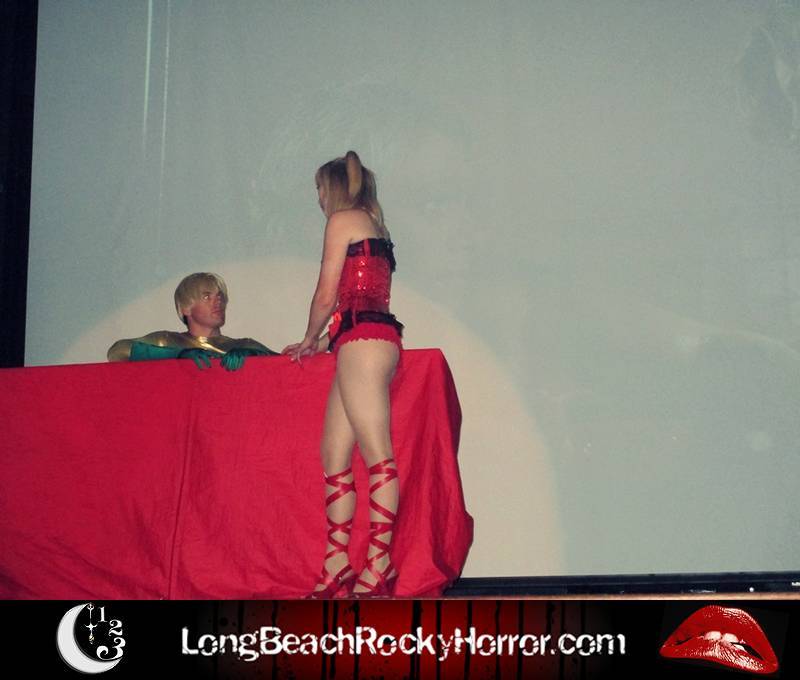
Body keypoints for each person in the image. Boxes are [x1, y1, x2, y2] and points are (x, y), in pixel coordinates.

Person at [283, 151, 404, 598]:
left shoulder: (343, 220)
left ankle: (379, 564)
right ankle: (337, 564)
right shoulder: (371, 223)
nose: (318, 197)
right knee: (333, 455)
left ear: (332, 187)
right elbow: (354, 295)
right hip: (360, 341)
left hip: (363, 343)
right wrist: (321, 340)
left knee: (378, 456)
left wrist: (308, 337)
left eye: (319, 188)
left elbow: (326, 293)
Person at [107, 272, 276, 369]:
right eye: (206, 297)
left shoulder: (244, 345)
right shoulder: (167, 340)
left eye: (220, 296)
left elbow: (284, 365)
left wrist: (255, 356)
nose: (217, 301)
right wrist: (176, 355)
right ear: (185, 308)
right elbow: (118, 351)